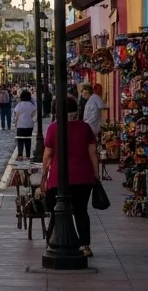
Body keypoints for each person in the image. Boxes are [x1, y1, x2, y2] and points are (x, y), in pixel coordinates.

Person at [43, 98, 100, 258]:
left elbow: (48, 155)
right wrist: (96, 175)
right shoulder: (85, 128)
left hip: (59, 177)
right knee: (81, 211)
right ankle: (85, 246)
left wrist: (43, 177)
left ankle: (52, 242)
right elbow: (93, 153)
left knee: (56, 211)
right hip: (83, 176)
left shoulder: (54, 128)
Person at [13, 89, 37, 159]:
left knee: (20, 140)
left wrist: (15, 124)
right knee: (28, 140)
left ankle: (20, 155)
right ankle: (28, 155)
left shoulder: (19, 105)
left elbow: (16, 116)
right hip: (29, 125)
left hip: (20, 125)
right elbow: (34, 113)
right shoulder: (31, 105)